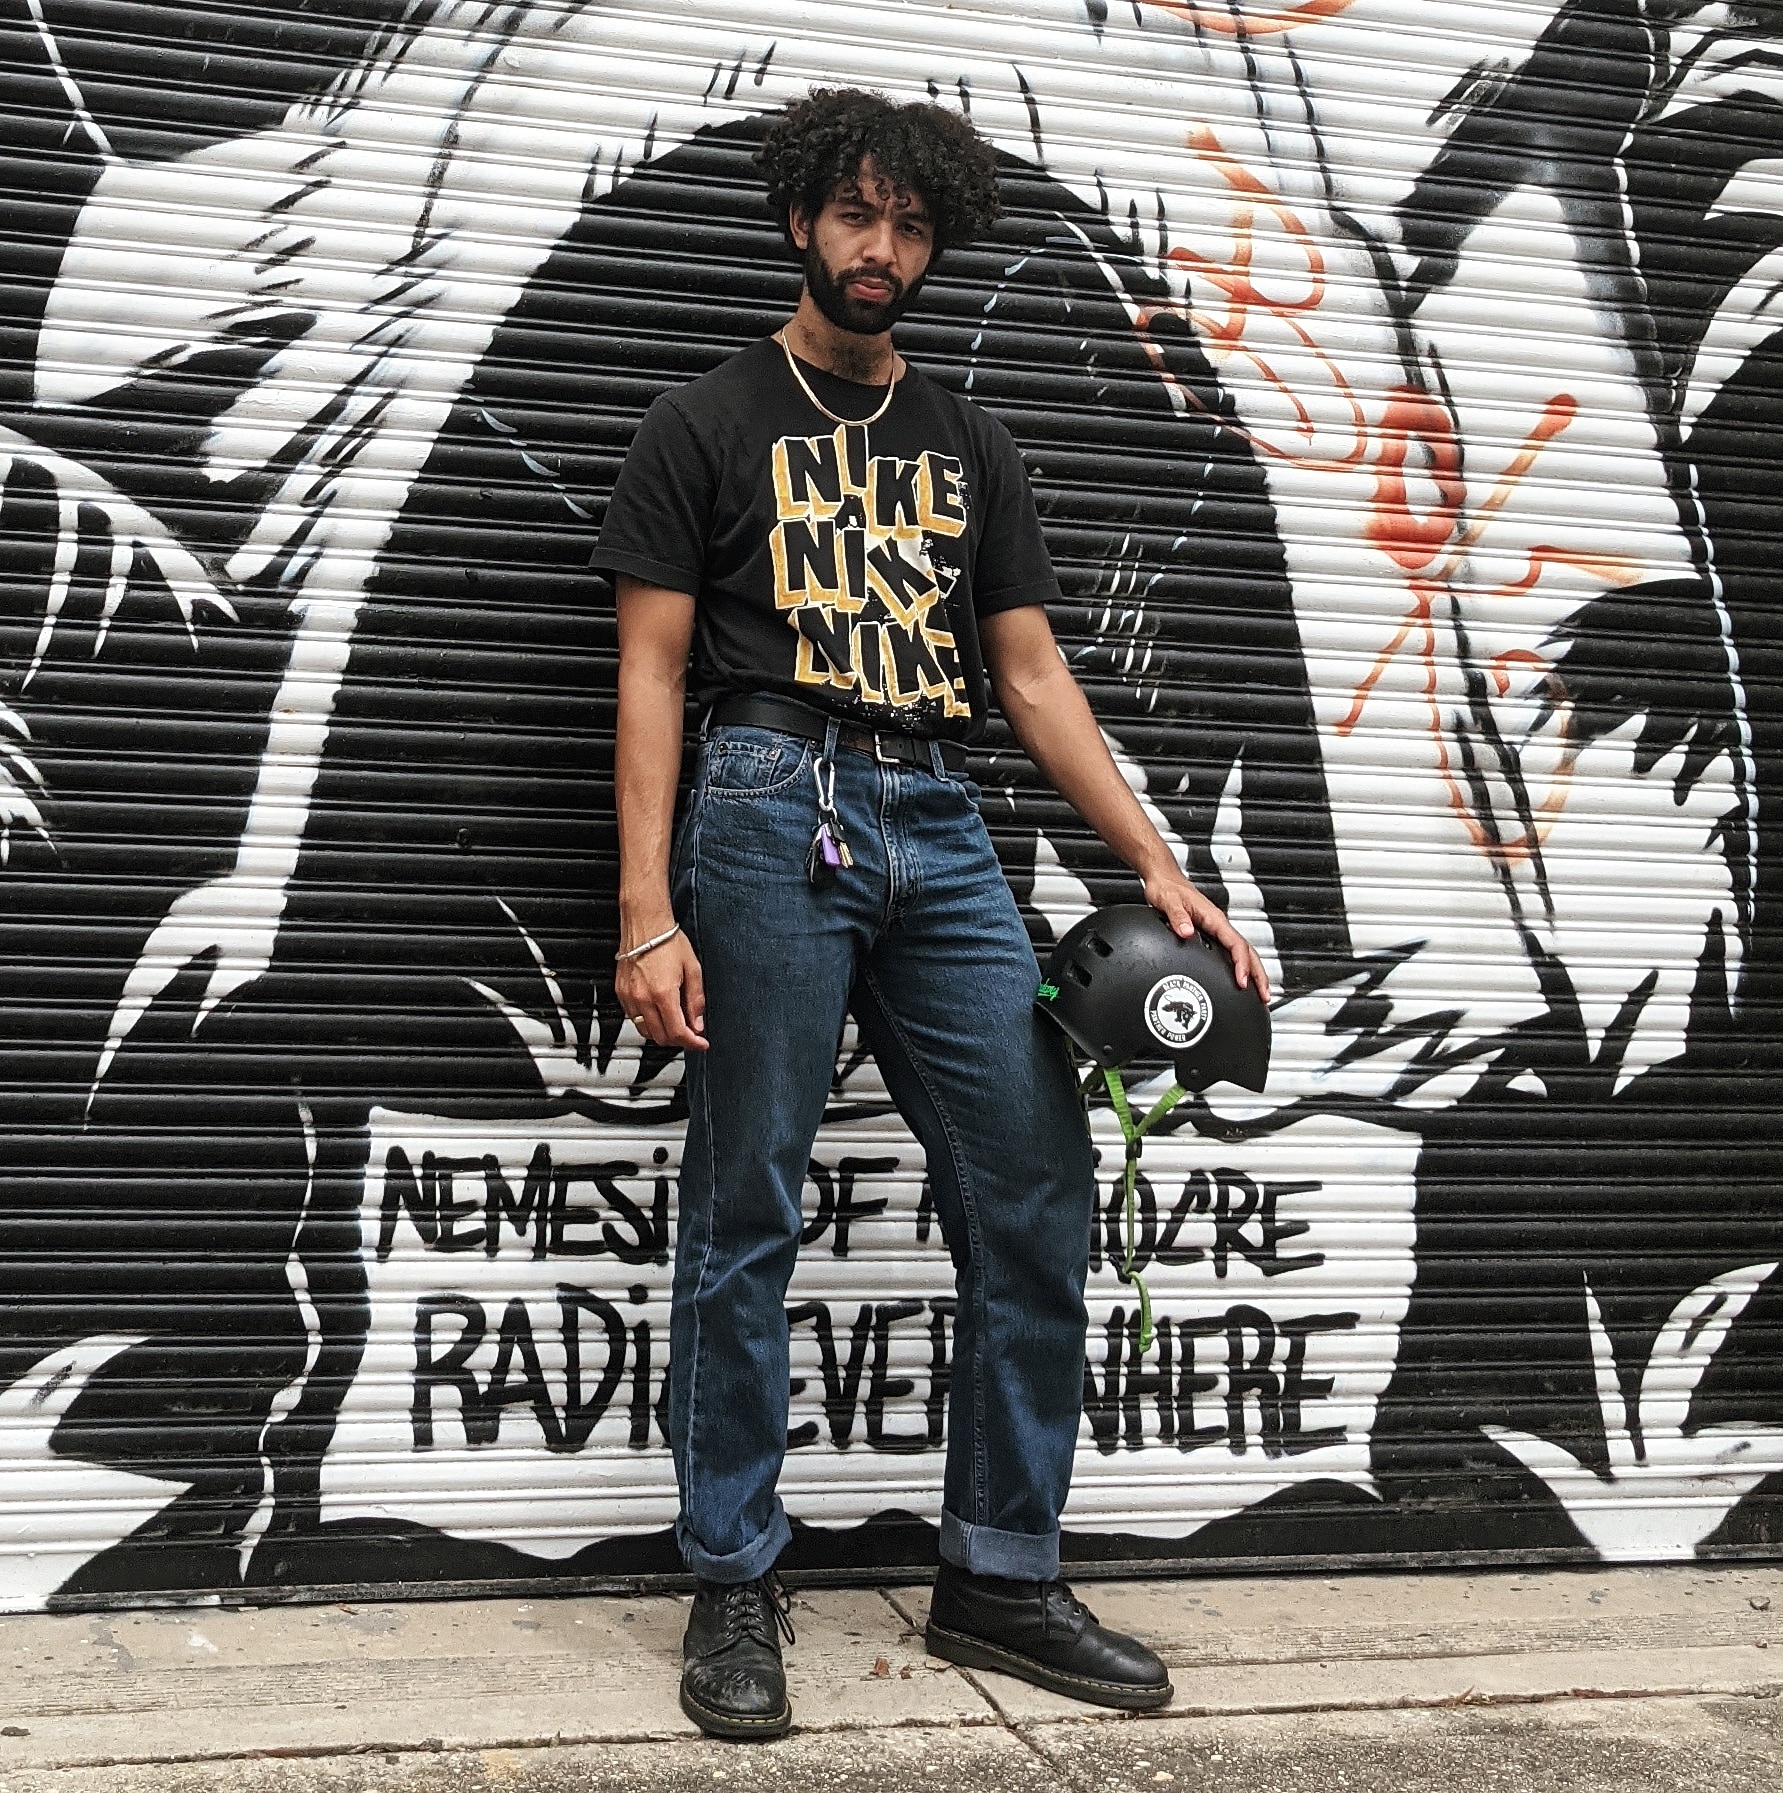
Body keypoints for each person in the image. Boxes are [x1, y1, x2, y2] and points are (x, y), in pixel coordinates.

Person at [592, 86, 1269, 1741]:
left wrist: (1156, 860)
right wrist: (643, 909)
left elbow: (1029, 676)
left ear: (933, 242)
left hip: (940, 816)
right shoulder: (702, 422)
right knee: (746, 1205)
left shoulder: (969, 442)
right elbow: (652, 674)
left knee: (1032, 1187)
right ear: (801, 220)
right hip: (766, 798)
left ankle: (999, 1574)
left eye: (908, 224)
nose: (879, 246)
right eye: (855, 214)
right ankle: (732, 1575)